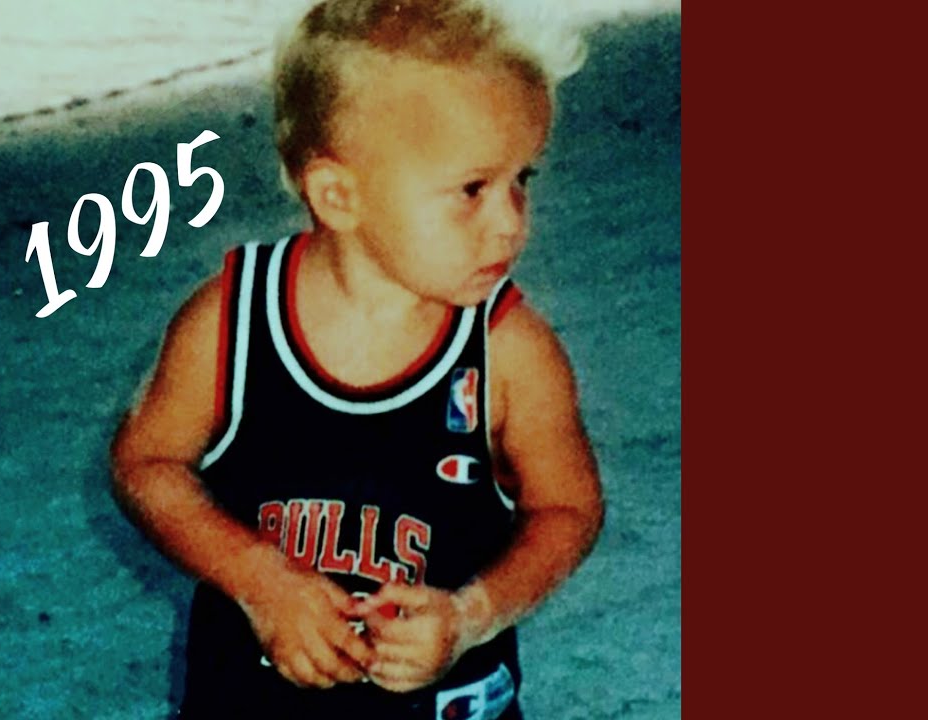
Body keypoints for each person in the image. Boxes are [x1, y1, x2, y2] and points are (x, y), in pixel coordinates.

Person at [110, 1, 603, 717]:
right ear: (339, 195)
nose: (510, 221)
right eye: (472, 189)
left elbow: (568, 508)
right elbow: (146, 463)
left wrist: (472, 615)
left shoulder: (510, 352)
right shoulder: (230, 323)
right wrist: (259, 580)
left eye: (521, 179)